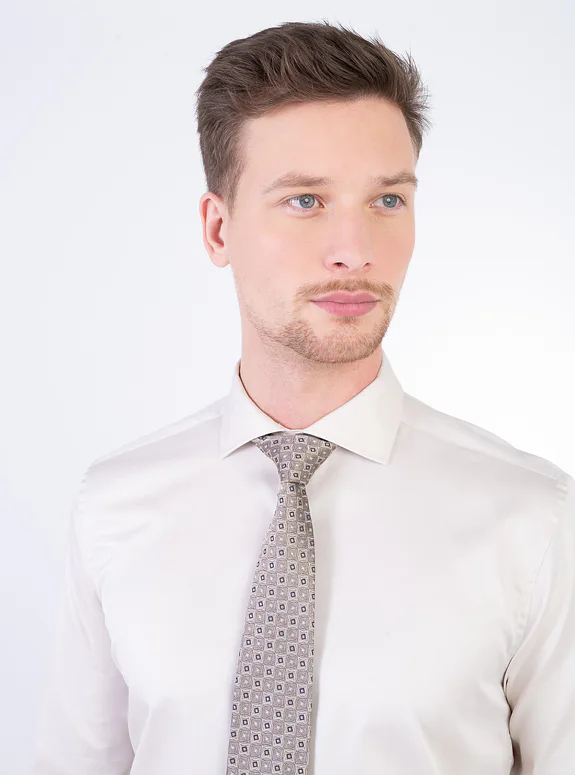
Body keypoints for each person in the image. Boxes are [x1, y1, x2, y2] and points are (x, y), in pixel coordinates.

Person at [31, 19, 574, 775]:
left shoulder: (533, 520)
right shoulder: (115, 507)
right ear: (217, 230)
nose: (355, 250)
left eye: (388, 200)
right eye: (305, 201)